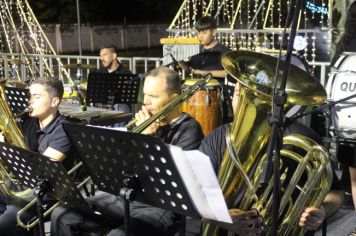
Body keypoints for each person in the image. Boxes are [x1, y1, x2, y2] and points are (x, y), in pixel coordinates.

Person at [50, 66, 205, 236]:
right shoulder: (142, 121)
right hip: (127, 196)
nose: (145, 101)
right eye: (144, 94)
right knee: (62, 215)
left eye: (153, 96)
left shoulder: (189, 129)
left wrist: (149, 141)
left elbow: (175, 179)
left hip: (160, 206)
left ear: (174, 99)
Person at [199, 82, 344, 235]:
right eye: (237, 94)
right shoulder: (216, 139)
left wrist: (322, 211)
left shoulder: (302, 138)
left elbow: (335, 193)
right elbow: (194, 199)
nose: (243, 103)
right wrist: (222, 218)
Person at [0, 77, 75, 236]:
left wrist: (7, 151)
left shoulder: (63, 131)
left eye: (37, 97)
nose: (29, 101)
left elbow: (41, 170)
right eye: (30, 96)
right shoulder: (28, 123)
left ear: (54, 102)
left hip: (41, 195)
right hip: (16, 187)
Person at [178, 15, 229, 81]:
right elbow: (189, 70)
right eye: (198, 33)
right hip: (196, 88)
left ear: (213, 32)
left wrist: (208, 73)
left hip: (216, 89)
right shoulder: (196, 49)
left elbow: (229, 73)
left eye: (204, 33)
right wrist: (180, 61)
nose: (200, 36)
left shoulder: (223, 51)